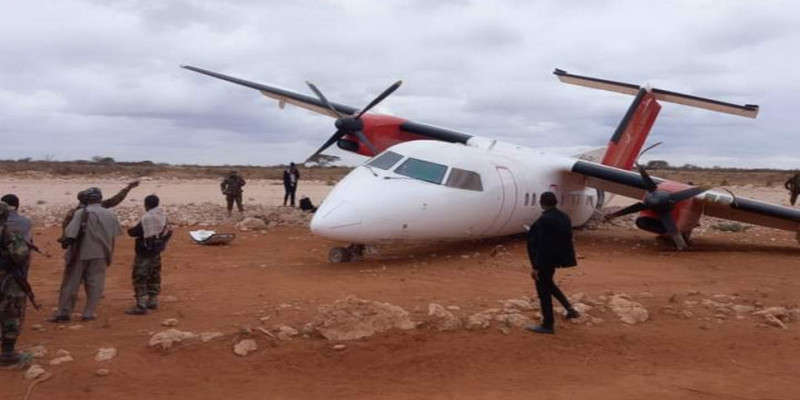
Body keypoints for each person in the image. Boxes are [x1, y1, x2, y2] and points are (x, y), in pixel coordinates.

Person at [50, 187, 122, 322]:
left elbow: (70, 235)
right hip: (102, 253)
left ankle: (64, 313)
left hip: (80, 253)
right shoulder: (111, 215)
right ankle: (89, 313)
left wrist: (64, 242)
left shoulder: (81, 213)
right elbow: (115, 234)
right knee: (95, 284)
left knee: (71, 283)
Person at [525, 191, 580, 335]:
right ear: (555, 202)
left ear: (541, 203)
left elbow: (542, 245)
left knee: (543, 292)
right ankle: (570, 309)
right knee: (549, 284)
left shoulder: (544, 220)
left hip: (544, 261)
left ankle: (547, 324)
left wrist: (536, 266)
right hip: (556, 260)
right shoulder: (564, 217)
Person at [125, 195, 172, 315]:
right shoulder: (163, 216)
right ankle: (153, 300)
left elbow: (134, 232)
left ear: (146, 205)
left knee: (140, 277)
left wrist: (129, 229)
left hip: (143, 252)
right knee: (154, 275)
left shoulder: (147, 218)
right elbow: (169, 231)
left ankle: (141, 305)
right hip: (156, 251)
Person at [0, 201, 31, 366]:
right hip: (7, 280)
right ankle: (7, 352)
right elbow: (20, 256)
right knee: (11, 313)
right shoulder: (9, 233)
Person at [60, 180, 139, 231]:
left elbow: (66, 230)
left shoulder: (74, 213)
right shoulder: (101, 207)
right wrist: (128, 188)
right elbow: (115, 200)